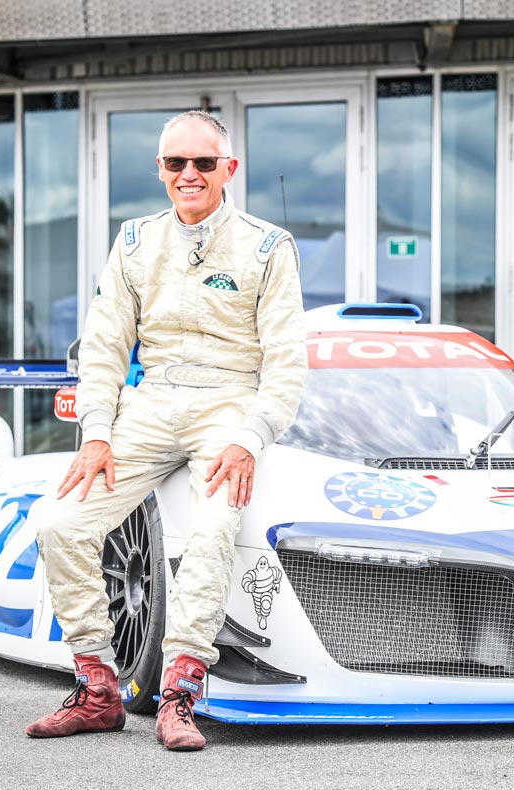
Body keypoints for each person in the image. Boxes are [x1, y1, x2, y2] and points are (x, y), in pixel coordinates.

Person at [24, 110, 307, 751]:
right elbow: (102, 347)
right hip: (149, 404)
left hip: (229, 404)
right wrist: (97, 429)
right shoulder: (132, 242)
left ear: (228, 170)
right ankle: (97, 689)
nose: (189, 174)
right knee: (58, 523)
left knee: (212, 528)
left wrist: (251, 436)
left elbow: (288, 363)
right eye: (175, 163)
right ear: (159, 170)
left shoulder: (269, 246)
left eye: (203, 163)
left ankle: (179, 692)